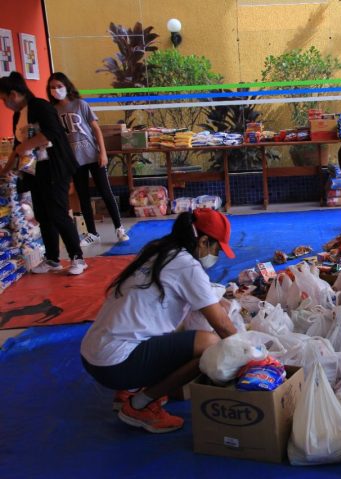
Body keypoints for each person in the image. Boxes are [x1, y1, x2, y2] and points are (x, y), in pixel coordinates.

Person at [80, 208, 238, 433]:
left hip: (93, 355)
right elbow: (221, 324)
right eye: (217, 248)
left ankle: (129, 389)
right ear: (203, 241)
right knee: (210, 345)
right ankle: (140, 405)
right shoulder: (187, 266)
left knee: (181, 326)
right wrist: (249, 353)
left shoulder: (159, 250)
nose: (217, 255)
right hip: (115, 364)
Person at [0, 72, 87, 275]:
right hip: (35, 171)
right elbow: (17, 146)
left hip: (55, 168)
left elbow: (51, 133)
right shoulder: (18, 116)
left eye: (4, 99)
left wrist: (26, 146)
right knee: (43, 215)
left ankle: (78, 257)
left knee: (58, 213)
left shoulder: (40, 106)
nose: (5, 104)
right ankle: (52, 258)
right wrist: (6, 170)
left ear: (14, 94)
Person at [47, 72, 130, 246]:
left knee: (105, 192)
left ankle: (119, 228)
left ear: (67, 86)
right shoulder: (53, 111)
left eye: (59, 86)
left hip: (93, 156)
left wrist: (103, 152)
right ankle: (92, 233)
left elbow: (96, 129)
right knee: (83, 196)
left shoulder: (80, 104)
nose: (56, 90)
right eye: (52, 87)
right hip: (75, 161)